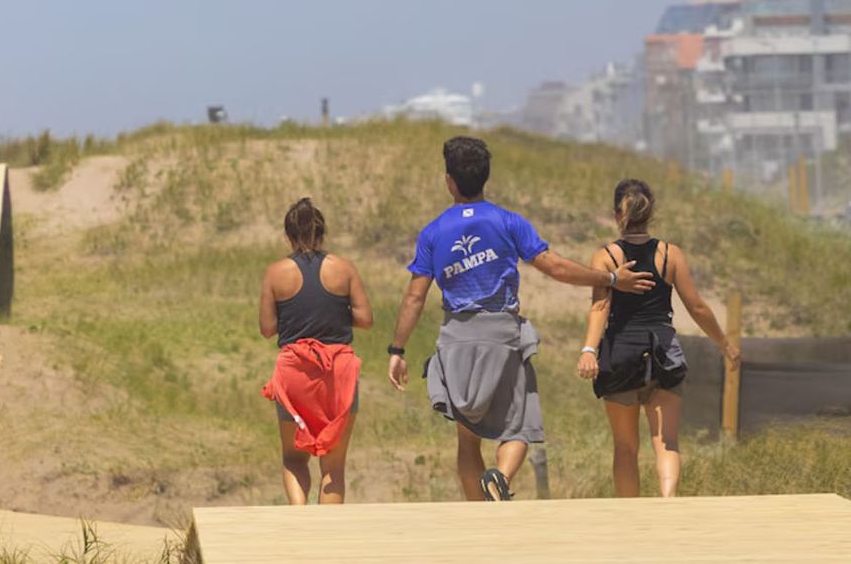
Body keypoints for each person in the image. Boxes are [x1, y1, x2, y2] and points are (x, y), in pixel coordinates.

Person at [387, 137, 654, 501]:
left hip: (456, 338)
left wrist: (397, 348)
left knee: (467, 438)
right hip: (502, 334)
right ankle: (501, 474)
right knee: (518, 427)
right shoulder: (508, 222)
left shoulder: (433, 232)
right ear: (486, 178)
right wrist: (610, 279)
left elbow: (415, 295)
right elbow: (556, 268)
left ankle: (481, 515)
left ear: (449, 181)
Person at [576, 179, 741, 498]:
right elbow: (697, 307)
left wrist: (588, 350)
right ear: (651, 212)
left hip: (620, 354)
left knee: (625, 448)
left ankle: (631, 518)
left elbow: (600, 305)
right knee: (666, 443)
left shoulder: (606, 257)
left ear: (616, 214)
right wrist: (725, 344)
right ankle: (668, 506)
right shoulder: (670, 254)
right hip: (663, 353)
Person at [259, 199, 372, 505]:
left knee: (294, 458)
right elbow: (365, 319)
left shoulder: (275, 273)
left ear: (287, 236)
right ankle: (326, 537)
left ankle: (300, 518)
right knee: (333, 466)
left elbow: (267, 328)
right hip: (338, 370)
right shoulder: (344, 269)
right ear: (322, 232)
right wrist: (332, 315)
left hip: (294, 369)